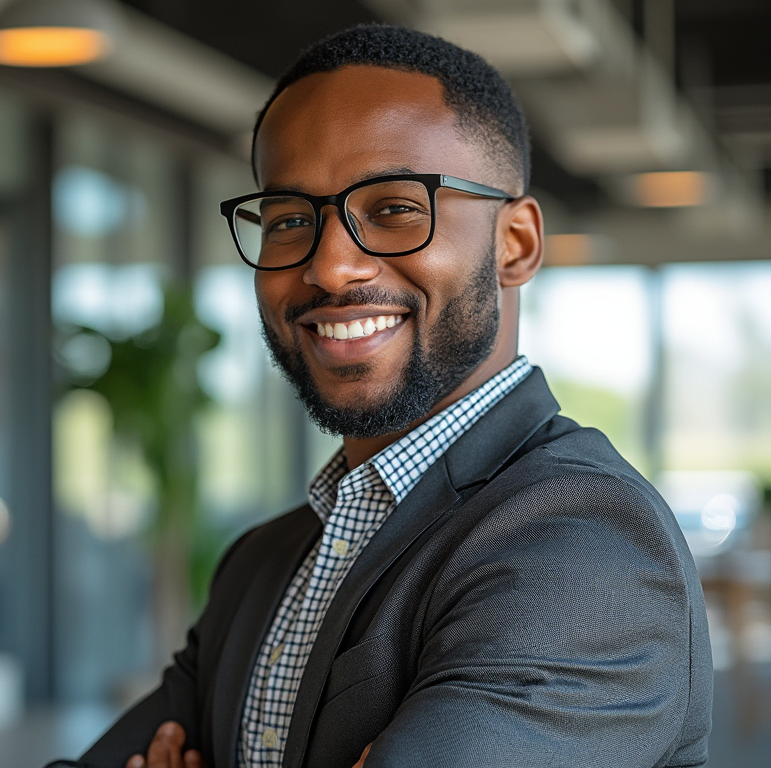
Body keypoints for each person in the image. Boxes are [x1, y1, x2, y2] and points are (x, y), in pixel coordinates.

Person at [71, 24, 713, 768]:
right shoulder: (263, 559)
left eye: (395, 208)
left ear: (516, 244)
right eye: (287, 219)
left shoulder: (582, 547)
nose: (331, 266)